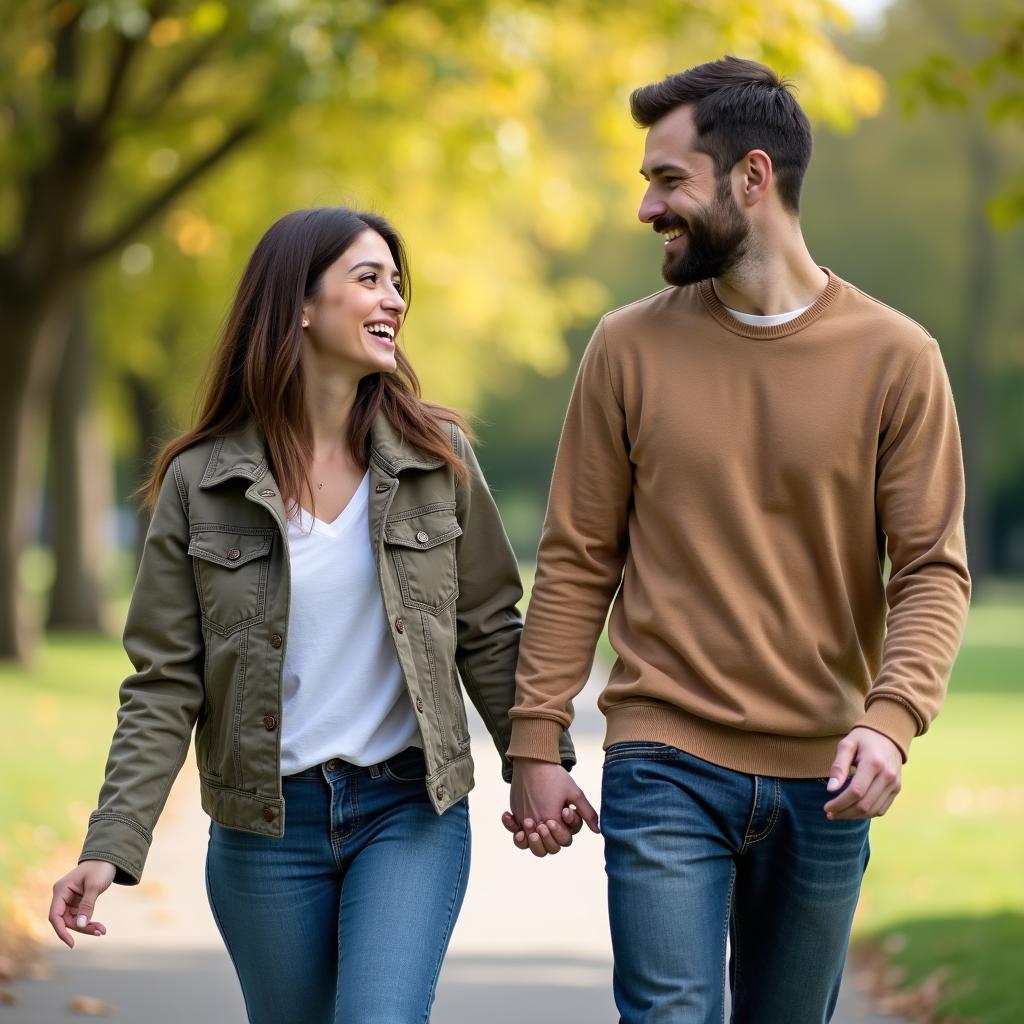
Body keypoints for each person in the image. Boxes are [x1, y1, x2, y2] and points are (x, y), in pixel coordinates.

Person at [503, 56, 971, 1023]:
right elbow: (578, 556)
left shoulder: (897, 358)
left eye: (668, 179)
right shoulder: (625, 347)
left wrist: (893, 720)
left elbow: (930, 567)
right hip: (664, 759)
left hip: (828, 773)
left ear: (751, 178)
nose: (648, 208)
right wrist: (535, 739)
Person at [47, 206, 574, 1024]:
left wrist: (536, 759)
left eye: (398, 283)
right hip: (266, 827)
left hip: (407, 811)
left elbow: (490, 629)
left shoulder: (439, 458)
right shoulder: (199, 479)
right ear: (298, 302)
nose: (394, 299)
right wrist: (110, 845)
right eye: (369, 279)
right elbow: (162, 683)